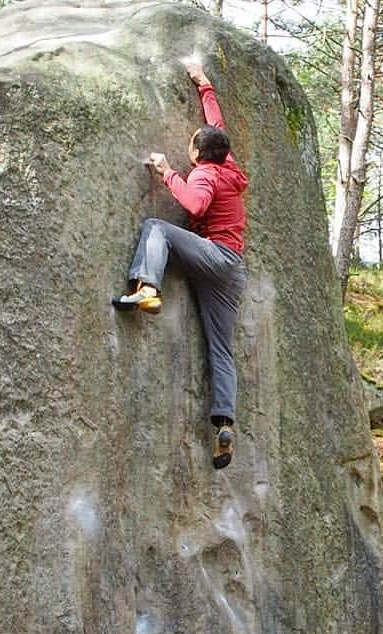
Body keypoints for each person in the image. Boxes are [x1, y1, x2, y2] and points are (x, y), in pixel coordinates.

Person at [113, 61, 248, 470]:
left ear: (196, 154)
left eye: (191, 144)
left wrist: (166, 171)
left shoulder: (205, 174)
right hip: (231, 268)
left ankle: (147, 287)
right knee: (221, 349)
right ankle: (223, 422)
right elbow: (216, 126)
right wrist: (203, 83)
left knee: (157, 227)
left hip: (212, 256)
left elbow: (194, 204)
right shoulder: (229, 167)